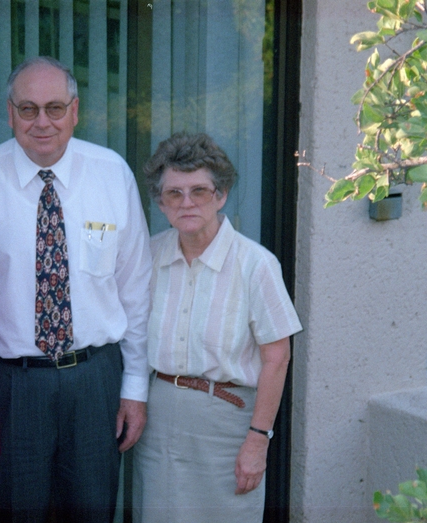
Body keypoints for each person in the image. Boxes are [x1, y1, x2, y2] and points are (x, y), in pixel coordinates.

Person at [0, 56, 152, 522]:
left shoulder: (113, 175)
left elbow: (135, 289)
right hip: (10, 386)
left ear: (75, 111)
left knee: (92, 512)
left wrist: (134, 387)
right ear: (10, 113)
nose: (42, 122)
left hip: (95, 383)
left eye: (55, 108)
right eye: (28, 109)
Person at [132, 132, 303, 522]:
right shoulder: (149, 255)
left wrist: (258, 441)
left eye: (199, 191)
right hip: (157, 419)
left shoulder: (255, 265)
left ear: (221, 195)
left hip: (227, 423)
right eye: (174, 193)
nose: (187, 202)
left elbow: (277, 358)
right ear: (160, 202)